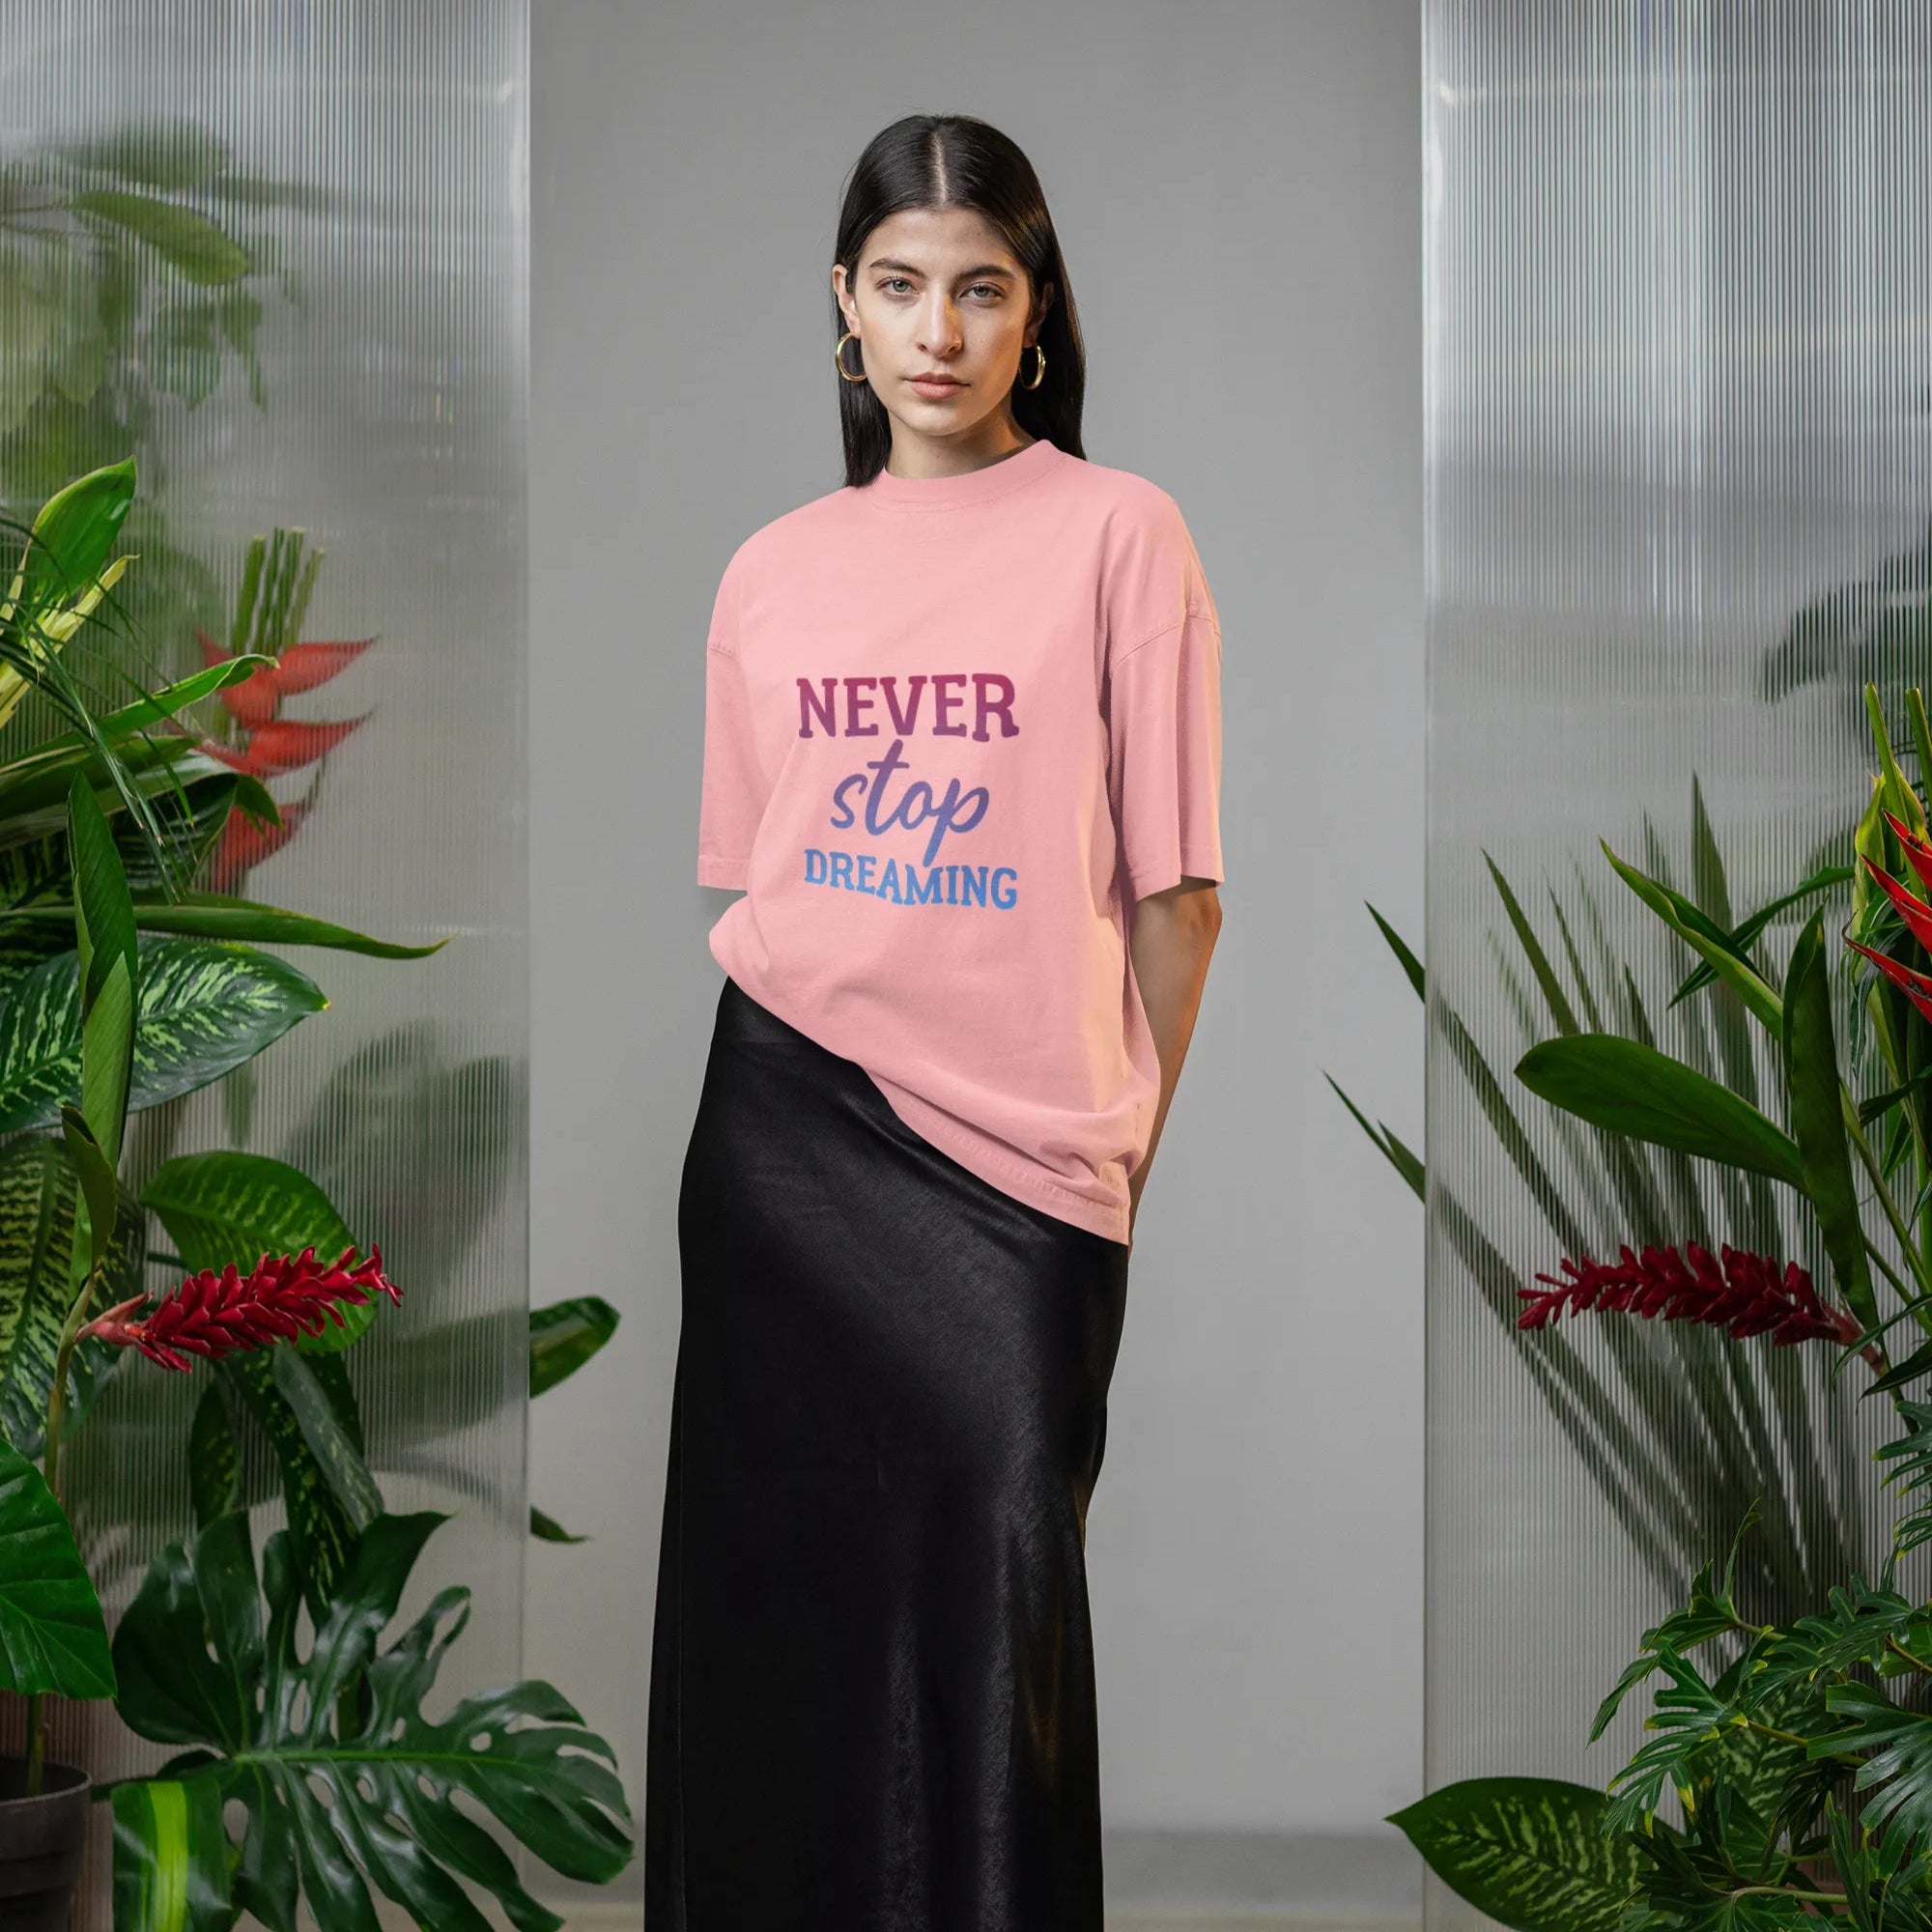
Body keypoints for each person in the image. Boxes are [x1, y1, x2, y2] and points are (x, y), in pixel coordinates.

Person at [645, 110, 1226, 1931]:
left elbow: (1178, 893)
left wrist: (1117, 1148)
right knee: (772, 1619)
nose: (939, 331)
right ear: (846, 304)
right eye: (901, 287)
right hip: (784, 1145)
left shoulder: (1123, 536)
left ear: (1035, 314)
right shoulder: (770, 569)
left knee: (998, 1622)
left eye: (981, 290)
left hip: (1026, 1170)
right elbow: (773, 894)